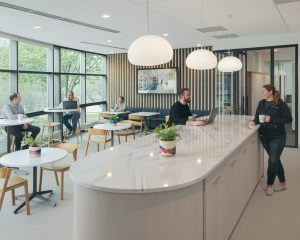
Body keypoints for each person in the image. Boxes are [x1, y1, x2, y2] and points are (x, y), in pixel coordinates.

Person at [249, 84, 292, 196]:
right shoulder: (261, 103)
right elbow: (257, 118)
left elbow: (288, 119)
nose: (261, 93)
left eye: (263, 91)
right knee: (275, 159)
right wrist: (253, 122)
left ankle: (270, 185)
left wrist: (272, 119)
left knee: (272, 160)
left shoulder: (280, 104)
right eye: (261, 91)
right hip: (264, 136)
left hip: (277, 136)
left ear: (270, 92)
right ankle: (283, 183)